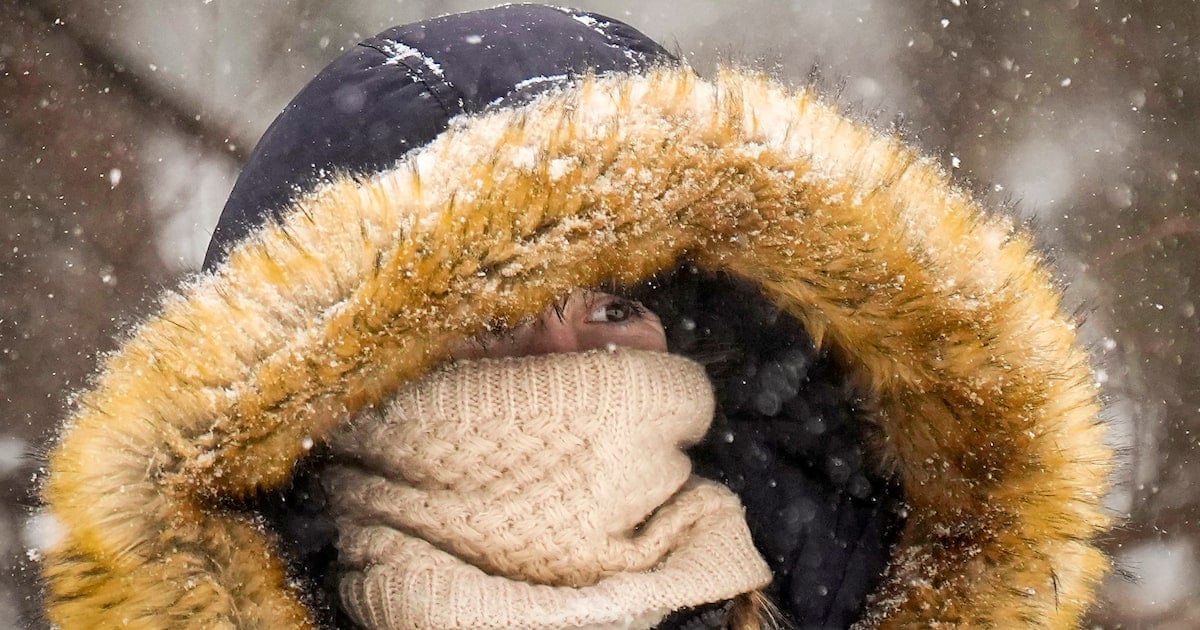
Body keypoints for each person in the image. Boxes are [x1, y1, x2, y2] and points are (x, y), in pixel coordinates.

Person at [39, 5, 1114, 629]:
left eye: (615, 304)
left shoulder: (834, 592)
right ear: (332, 384)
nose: (566, 363)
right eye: (490, 321)